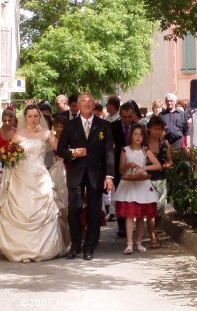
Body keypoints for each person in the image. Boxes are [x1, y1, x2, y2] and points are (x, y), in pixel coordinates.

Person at [0, 104, 69, 263]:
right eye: (30, 116)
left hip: (40, 177)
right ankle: (19, 248)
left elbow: (60, 150)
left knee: (45, 211)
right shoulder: (18, 134)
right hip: (21, 177)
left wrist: (70, 156)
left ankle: (44, 248)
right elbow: (9, 155)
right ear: (25, 118)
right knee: (21, 209)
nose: (33, 119)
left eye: (36, 116)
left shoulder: (46, 133)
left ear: (39, 117)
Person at [57, 93, 115, 261]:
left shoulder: (104, 125)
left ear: (94, 104)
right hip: (76, 173)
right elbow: (61, 149)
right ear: (78, 105)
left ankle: (89, 246)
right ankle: (75, 244)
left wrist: (109, 176)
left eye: (90, 101)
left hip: (96, 174)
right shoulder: (70, 125)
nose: (87, 104)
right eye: (83, 101)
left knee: (94, 211)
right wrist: (72, 153)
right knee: (74, 209)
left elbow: (109, 153)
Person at [112, 123, 161, 254]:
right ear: (131, 135)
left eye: (140, 134)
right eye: (135, 134)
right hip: (128, 184)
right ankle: (129, 243)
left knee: (141, 216)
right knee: (129, 214)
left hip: (143, 184)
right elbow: (121, 170)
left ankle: (138, 242)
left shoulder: (146, 150)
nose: (138, 137)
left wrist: (144, 168)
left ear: (143, 136)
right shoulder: (125, 150)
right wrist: (128, 165)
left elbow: (157, 165)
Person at [146, 116, 172, 248]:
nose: (157, 131)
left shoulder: (165, 143)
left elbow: (170, 160)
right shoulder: (143, 144)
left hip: (161, 179)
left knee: (160, 211)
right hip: (147, 180)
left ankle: (152, 229)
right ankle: (153, 237)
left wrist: (167, 165)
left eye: (159, 129)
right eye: (155, 129)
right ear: (149, 128)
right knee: (151, 210)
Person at [111, 102, 136, 232]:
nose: (127, 119)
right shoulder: (112, 127)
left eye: (129, 117)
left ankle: (131, 223)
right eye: (124, 117)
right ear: (120, 115)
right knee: (121, 196)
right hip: (118, 167)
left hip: (135, 166)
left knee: (132, 197)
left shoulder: (137, 128)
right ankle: (121, 225)